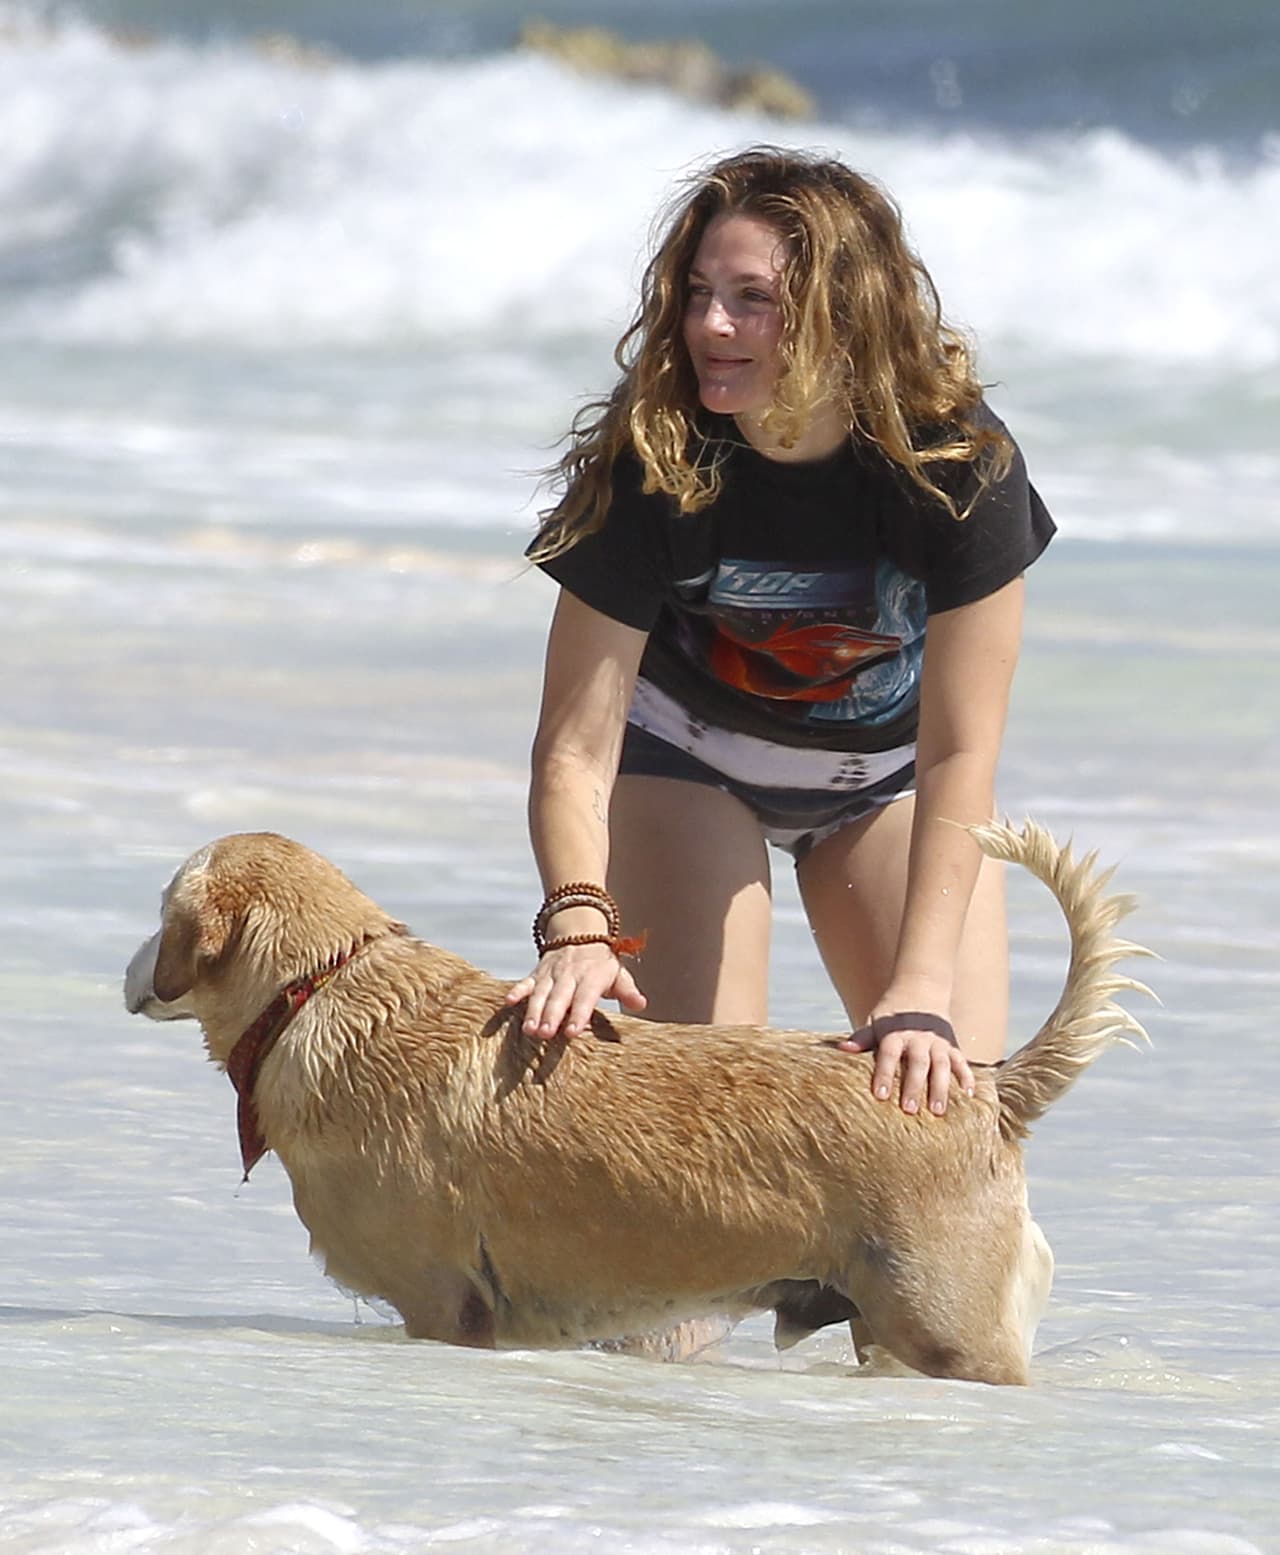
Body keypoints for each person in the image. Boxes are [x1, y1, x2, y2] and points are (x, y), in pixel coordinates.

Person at [506, 145, 1054, 1117]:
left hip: (880, 779)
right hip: (688, 760)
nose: (712, 324)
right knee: (702, 1124)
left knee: (950, 1113)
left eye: (751, 297)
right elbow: (572, 752)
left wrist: (920, 992)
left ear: (843, 314)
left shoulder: (954, 462)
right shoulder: (654, 461)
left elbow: (960, 750)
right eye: (699, 291)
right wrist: (576, 926)